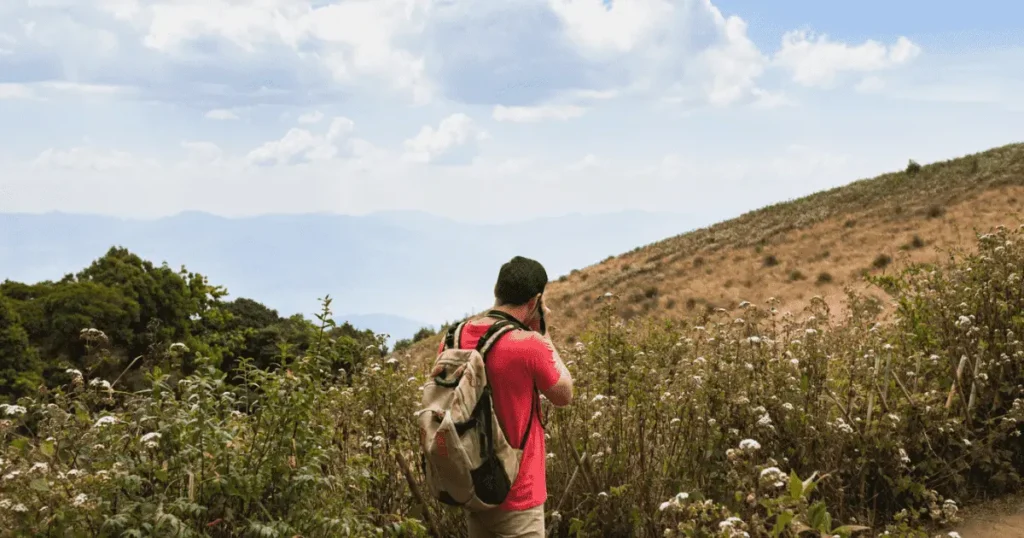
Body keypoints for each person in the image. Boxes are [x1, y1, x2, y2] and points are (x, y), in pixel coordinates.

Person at [438, 256, 574, 537]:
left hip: (473, 486)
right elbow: (564, 394)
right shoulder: (529, 345)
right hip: (519, 495)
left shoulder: (453, 338)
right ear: (536, 301)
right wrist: (544, 335)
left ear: (497, 291)